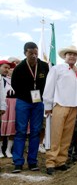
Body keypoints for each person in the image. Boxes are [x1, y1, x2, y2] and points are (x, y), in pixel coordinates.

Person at [43, 46, 77, 175]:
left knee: (67, 136)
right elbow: (49, 86)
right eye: (69, 54)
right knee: (56, 134)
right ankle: (50, 162)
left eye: (74, 55)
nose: (72, 56)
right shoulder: (57, 69)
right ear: (65, 56)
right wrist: (48, 105)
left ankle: (61, 161)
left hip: (73, 106)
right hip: (60, 104)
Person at [11, 42, 49, 173]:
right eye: (30, 53)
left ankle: (33, 161)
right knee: (20, 131)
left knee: (35, 131)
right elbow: (14, 85)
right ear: (25, 53)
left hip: (38, 103)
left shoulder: (44, 66)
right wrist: (27, 96)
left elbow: (48, 83)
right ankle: (18, 162)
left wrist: (41, 97)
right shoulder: (19, 68)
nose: (33, 56)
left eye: (35, 53)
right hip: (23, 102)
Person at [0, 60, 17, 158]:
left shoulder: (14, 80)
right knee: (2, 128)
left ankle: (8, 150)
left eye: (9, 68)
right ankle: (0, 150)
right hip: (5, 104)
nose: (8, 70)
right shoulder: (2, 80)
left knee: (12, 128)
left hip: (13, 106)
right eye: (6, 68)